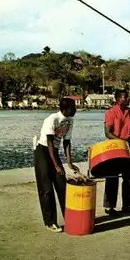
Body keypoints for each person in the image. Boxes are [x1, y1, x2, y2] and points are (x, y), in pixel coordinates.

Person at [34, 97, 79, 233]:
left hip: (54, 152)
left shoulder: (70, 120)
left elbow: (66, 142)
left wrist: (69, 162)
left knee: (62, 185)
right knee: (46, 189)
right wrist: (56, 166)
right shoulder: (52, 119)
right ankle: (50, 222)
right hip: (42, 152)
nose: (75, 110)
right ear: (65, 109)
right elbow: (49, 144)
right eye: (73, 108)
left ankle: (69, 218)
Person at [103, 89, 130, 216]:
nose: (126, 99)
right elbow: (107, 132)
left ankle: (127, 205)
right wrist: (121, 142)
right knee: (112, 178)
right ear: (117, 99)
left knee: (129, 177)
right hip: (114, 148)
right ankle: (110, 207)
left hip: (128, 148)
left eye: (127, 97)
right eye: (124, 97)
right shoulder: (110, 112)